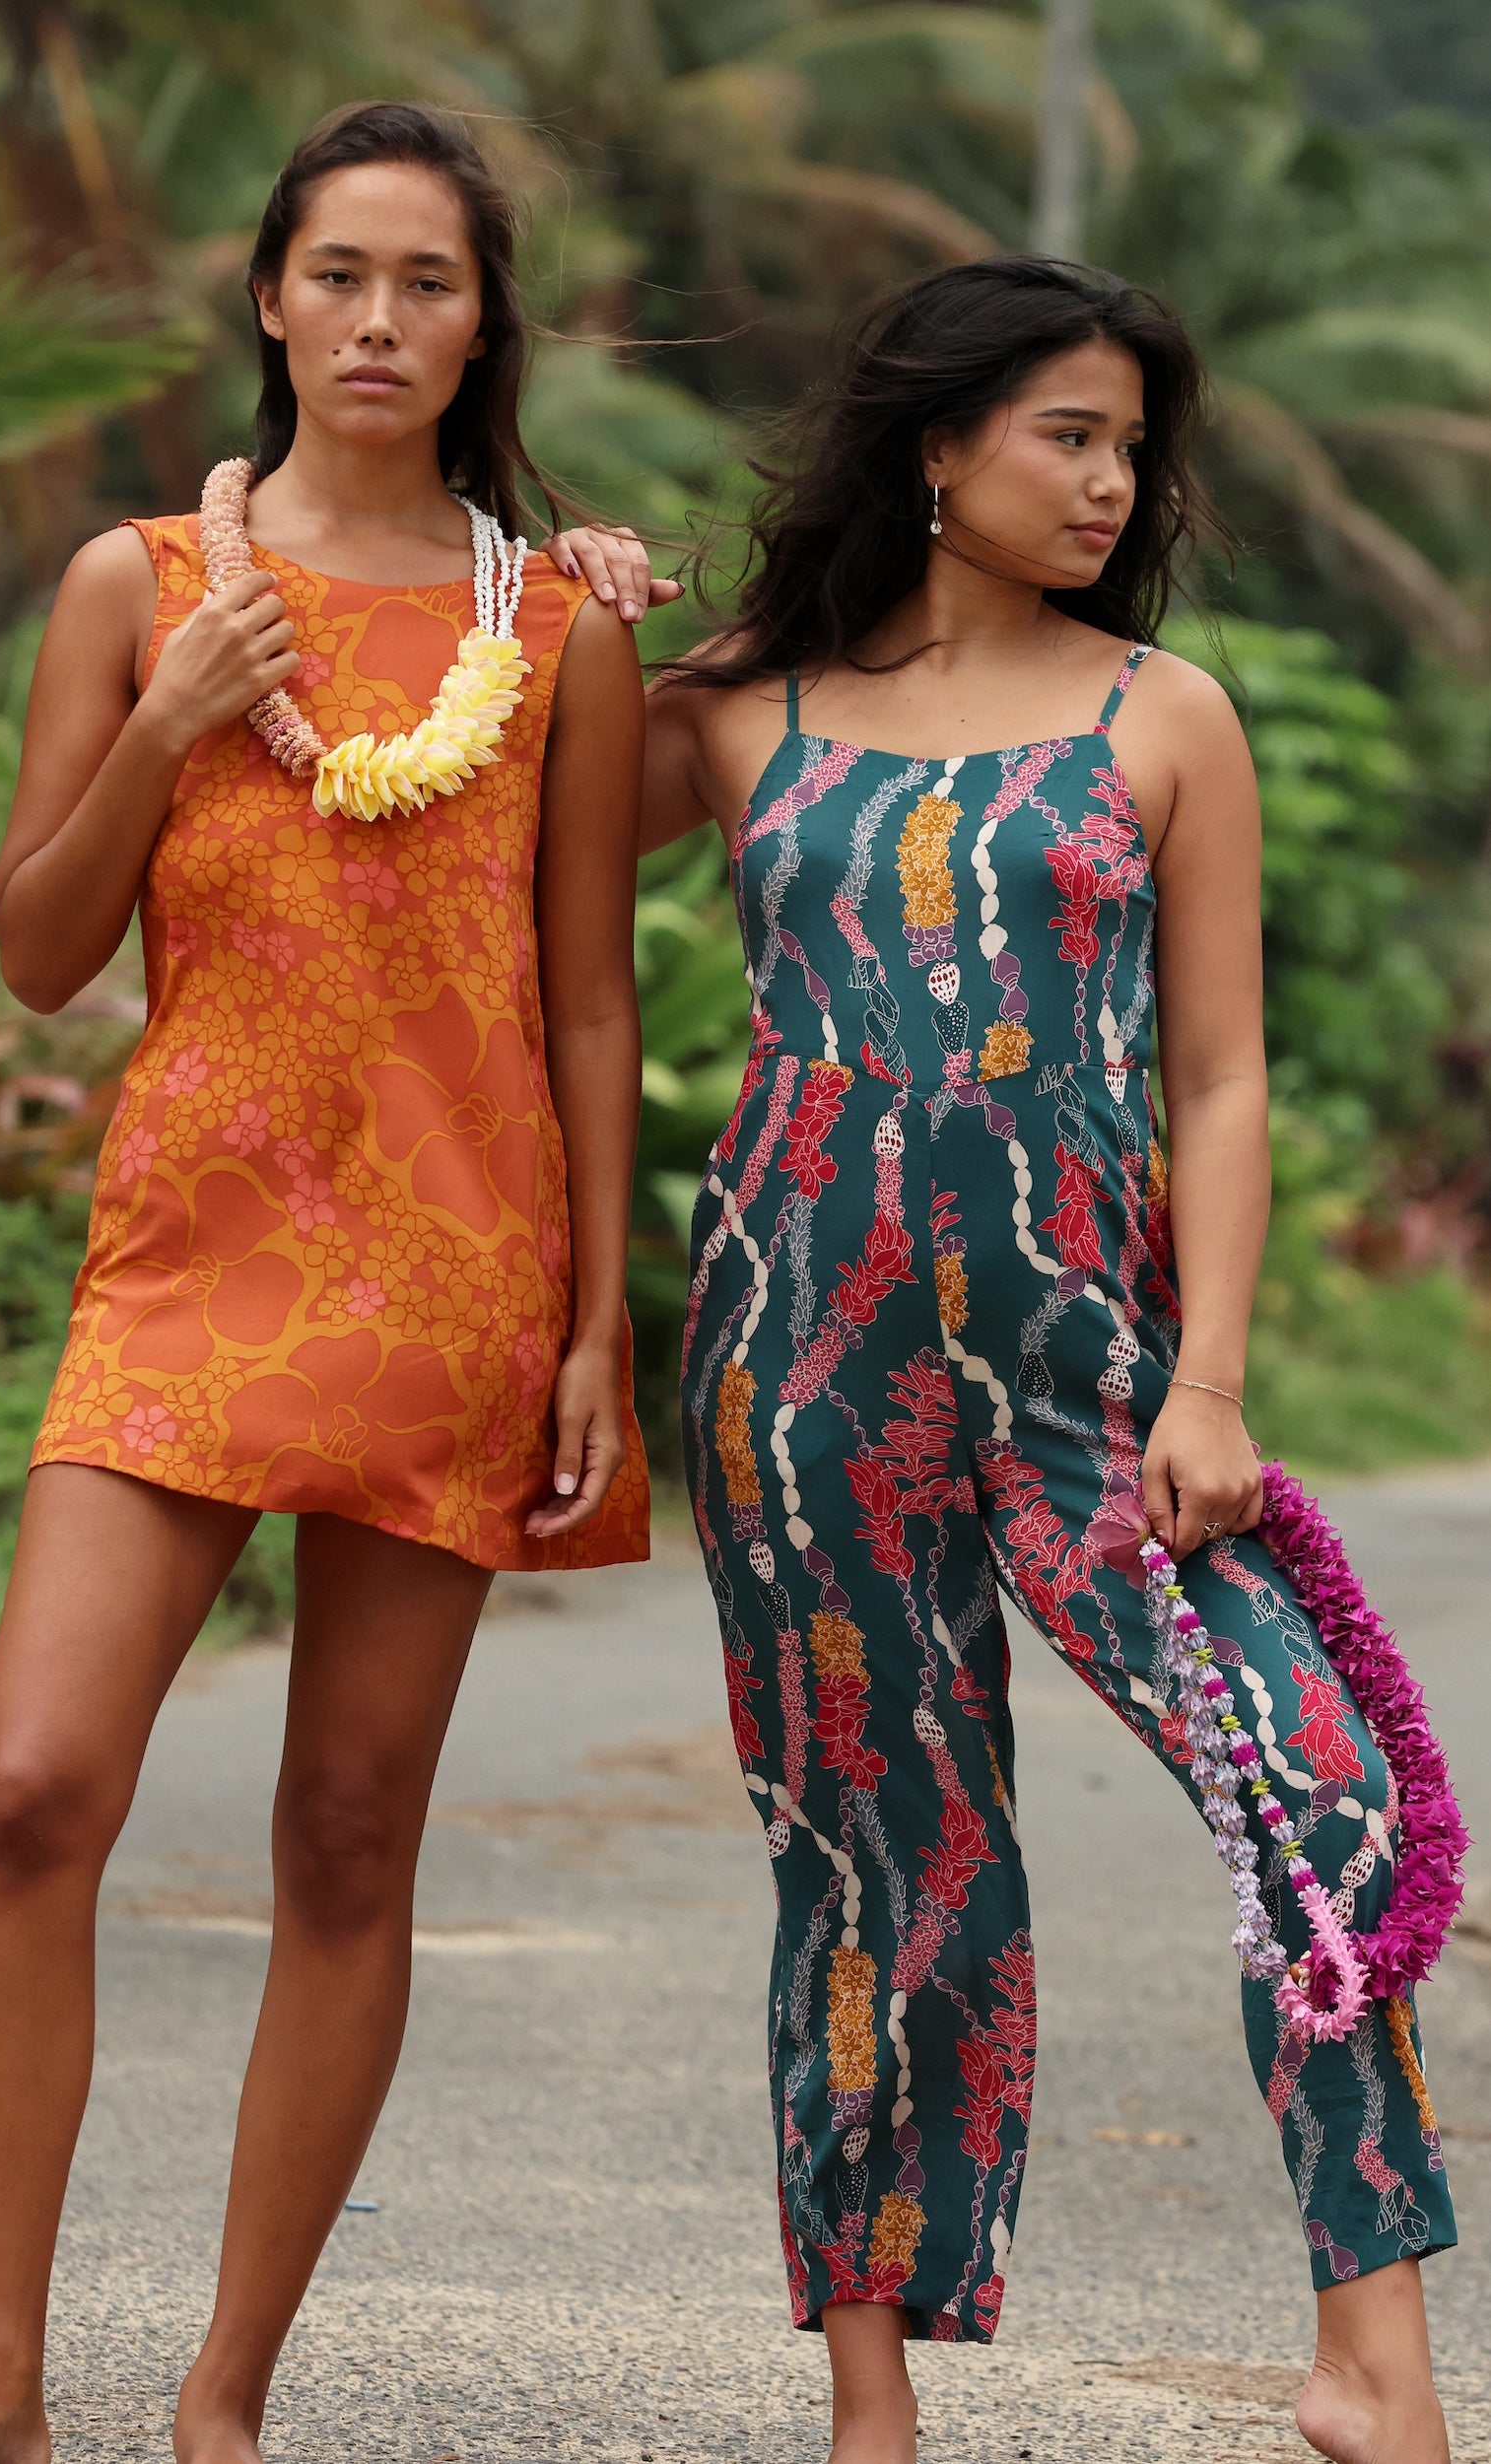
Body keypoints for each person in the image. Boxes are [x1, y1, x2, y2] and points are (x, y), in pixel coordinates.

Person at [556, 257, 1457, 2464]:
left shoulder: (1163, 716)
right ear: (938, 445)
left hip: (1092, 1365)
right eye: (1066, 430)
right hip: (796, 1358)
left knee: (1316, 1792)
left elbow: (1221, 1080)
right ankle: (873, 2400)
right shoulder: (740, 705)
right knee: (878, 1850)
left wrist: (1211, 1378)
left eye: (1129, 444)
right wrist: (571, 621)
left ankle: (1372, 2361)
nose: (1108, 477)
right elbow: (502, 844)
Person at [0, 100, 648, 2464]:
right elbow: (32, 946)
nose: (379, 318)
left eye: (426, 280)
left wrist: (600, 1314)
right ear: (268, 297)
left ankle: (223, 2393)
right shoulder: (136, 585)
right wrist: (177, 718)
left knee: (342, 1832)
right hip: (189, 1255)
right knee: (26, 1788)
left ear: (479, 318)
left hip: (457, 1263)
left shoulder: (561, 626)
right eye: (337, 274)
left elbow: (589, 993)